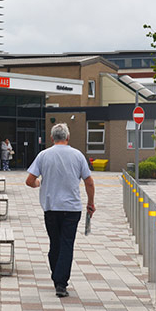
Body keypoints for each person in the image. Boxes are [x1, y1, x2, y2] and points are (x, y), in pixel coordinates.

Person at [26, 123, 95, 298]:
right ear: (68, 137)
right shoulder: (78, 156)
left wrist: (38, 183)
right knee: (67, 244)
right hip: (72, 209)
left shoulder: (43, 155)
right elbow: (89, 182)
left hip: (51, 208)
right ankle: (60, 283)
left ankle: (58, 278)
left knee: (55, 243)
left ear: (51, 138)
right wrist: (91, 203)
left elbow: (29, 180)